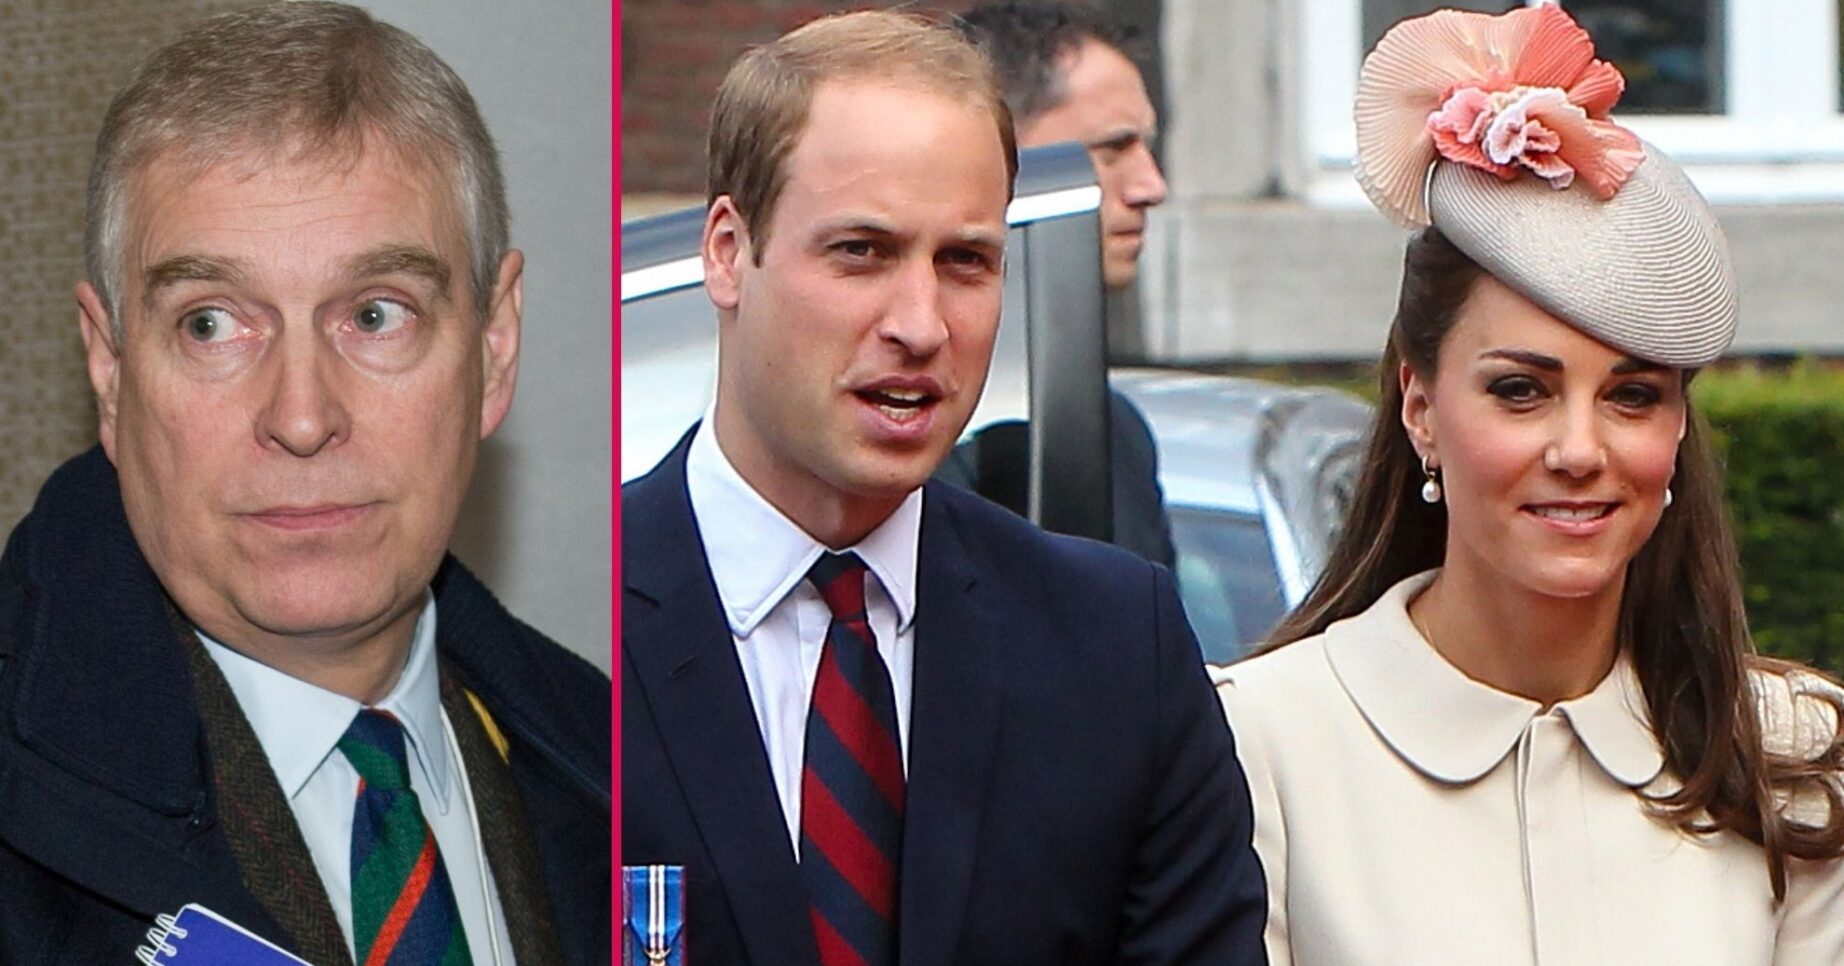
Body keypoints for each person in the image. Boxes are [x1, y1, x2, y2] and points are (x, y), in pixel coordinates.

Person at [621, 10, 1266, 966]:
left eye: (964, 261)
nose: (921, 325)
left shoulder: (1119, 651)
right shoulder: (563, 633)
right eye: (862, 253)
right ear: (727, 250)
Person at [1212, 6, 1844, 964]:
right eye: (1521, 390)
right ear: (1420, 407)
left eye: (1633, 396)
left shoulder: (1796, 754)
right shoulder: (1255, 745)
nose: (1580, 449)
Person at [0, 4, 611, 964]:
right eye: (210, 324)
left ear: (494, 350)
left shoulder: (634, 769)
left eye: (375, 314)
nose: (300, 416)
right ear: (110, 369)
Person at [943, 0, 1176, 569]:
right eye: (1112, 149)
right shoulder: (896, 422)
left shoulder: (1111, 430)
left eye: (1145, 147)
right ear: (991, 151)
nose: (1151, 186)